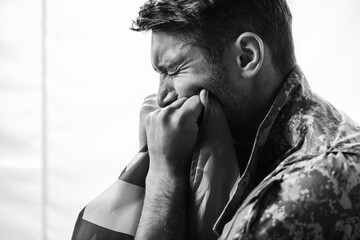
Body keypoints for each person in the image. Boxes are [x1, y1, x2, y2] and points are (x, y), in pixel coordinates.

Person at [130, 0, 360, 239]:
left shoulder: (306, 189)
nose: (162, 97)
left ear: (246, 57)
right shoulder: (230, 146)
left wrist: (163, 174)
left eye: (173, 71)